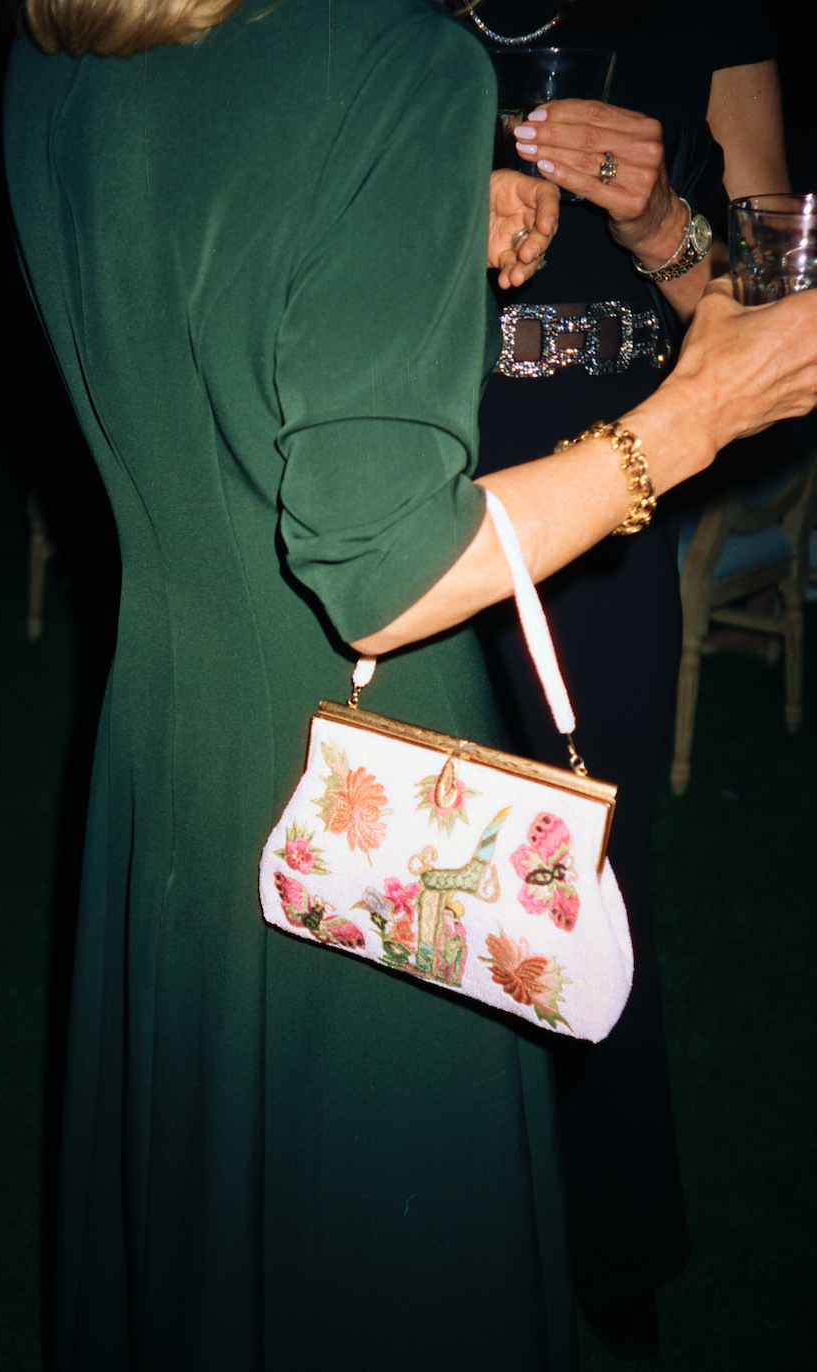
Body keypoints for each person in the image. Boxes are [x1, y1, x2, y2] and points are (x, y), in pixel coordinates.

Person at [3, 2, 817, 1368]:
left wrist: (634, 226)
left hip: (167, 741)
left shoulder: (54, 55)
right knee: (400, 1256)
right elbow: (382, 569)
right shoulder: (386, 49)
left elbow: (233, 252)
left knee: (224, 1243)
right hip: (382, 741)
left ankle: (609, 1239)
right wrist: (702, 416)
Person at [463, 0, 790, 1350]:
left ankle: (607, 1234)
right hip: (399, 454)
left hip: (606, 488)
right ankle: (427, 1207)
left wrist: (666, 230)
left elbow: (777, 303)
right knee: (393, 848)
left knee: (584, 877)